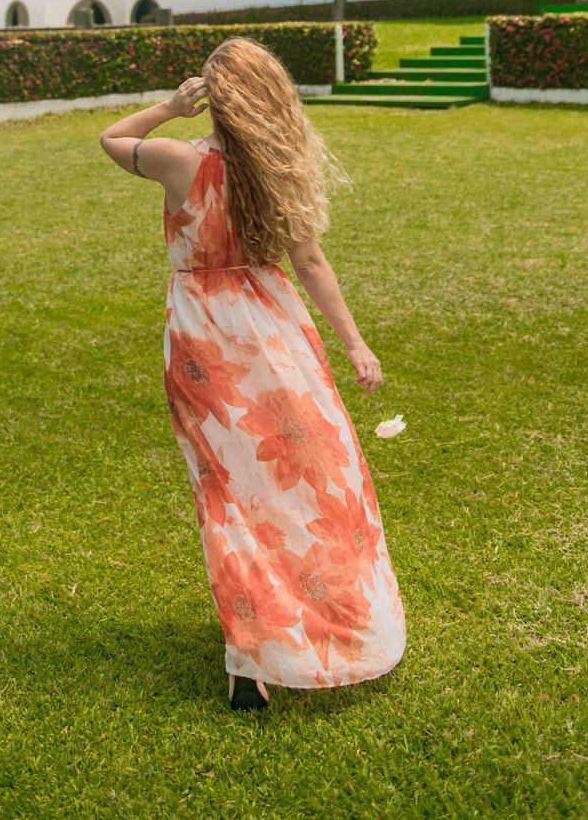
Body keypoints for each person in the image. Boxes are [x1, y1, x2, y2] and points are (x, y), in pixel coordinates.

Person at [99, 35, 406, 711]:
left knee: (231, 494)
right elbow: (313, 264)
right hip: (276, 328)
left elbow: (111, 138)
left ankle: (252, 657)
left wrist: (168, 108)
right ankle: (321, 626)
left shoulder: (180, 160)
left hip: (205, 339)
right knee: (316, 479)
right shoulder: (277, 170)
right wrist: (355, 344)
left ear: (217, 99)